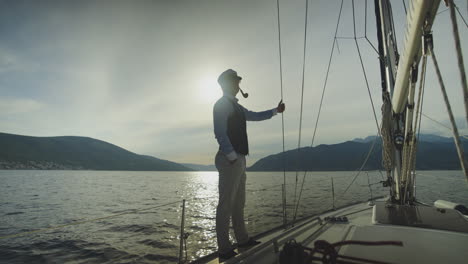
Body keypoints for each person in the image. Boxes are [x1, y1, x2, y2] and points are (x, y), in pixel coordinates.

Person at [213, 69, 285, 261]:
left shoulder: (236, 107)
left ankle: (242, 240)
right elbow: (220, 132)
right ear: (227, 84)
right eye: (236, 81)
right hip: (231, 160)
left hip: (238, 159)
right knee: (226, 205)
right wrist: (232, 157)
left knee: (238, 203)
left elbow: (254, 115)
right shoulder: (222, 105)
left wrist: (275, 111)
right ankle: (224, 249)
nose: (239, 85)